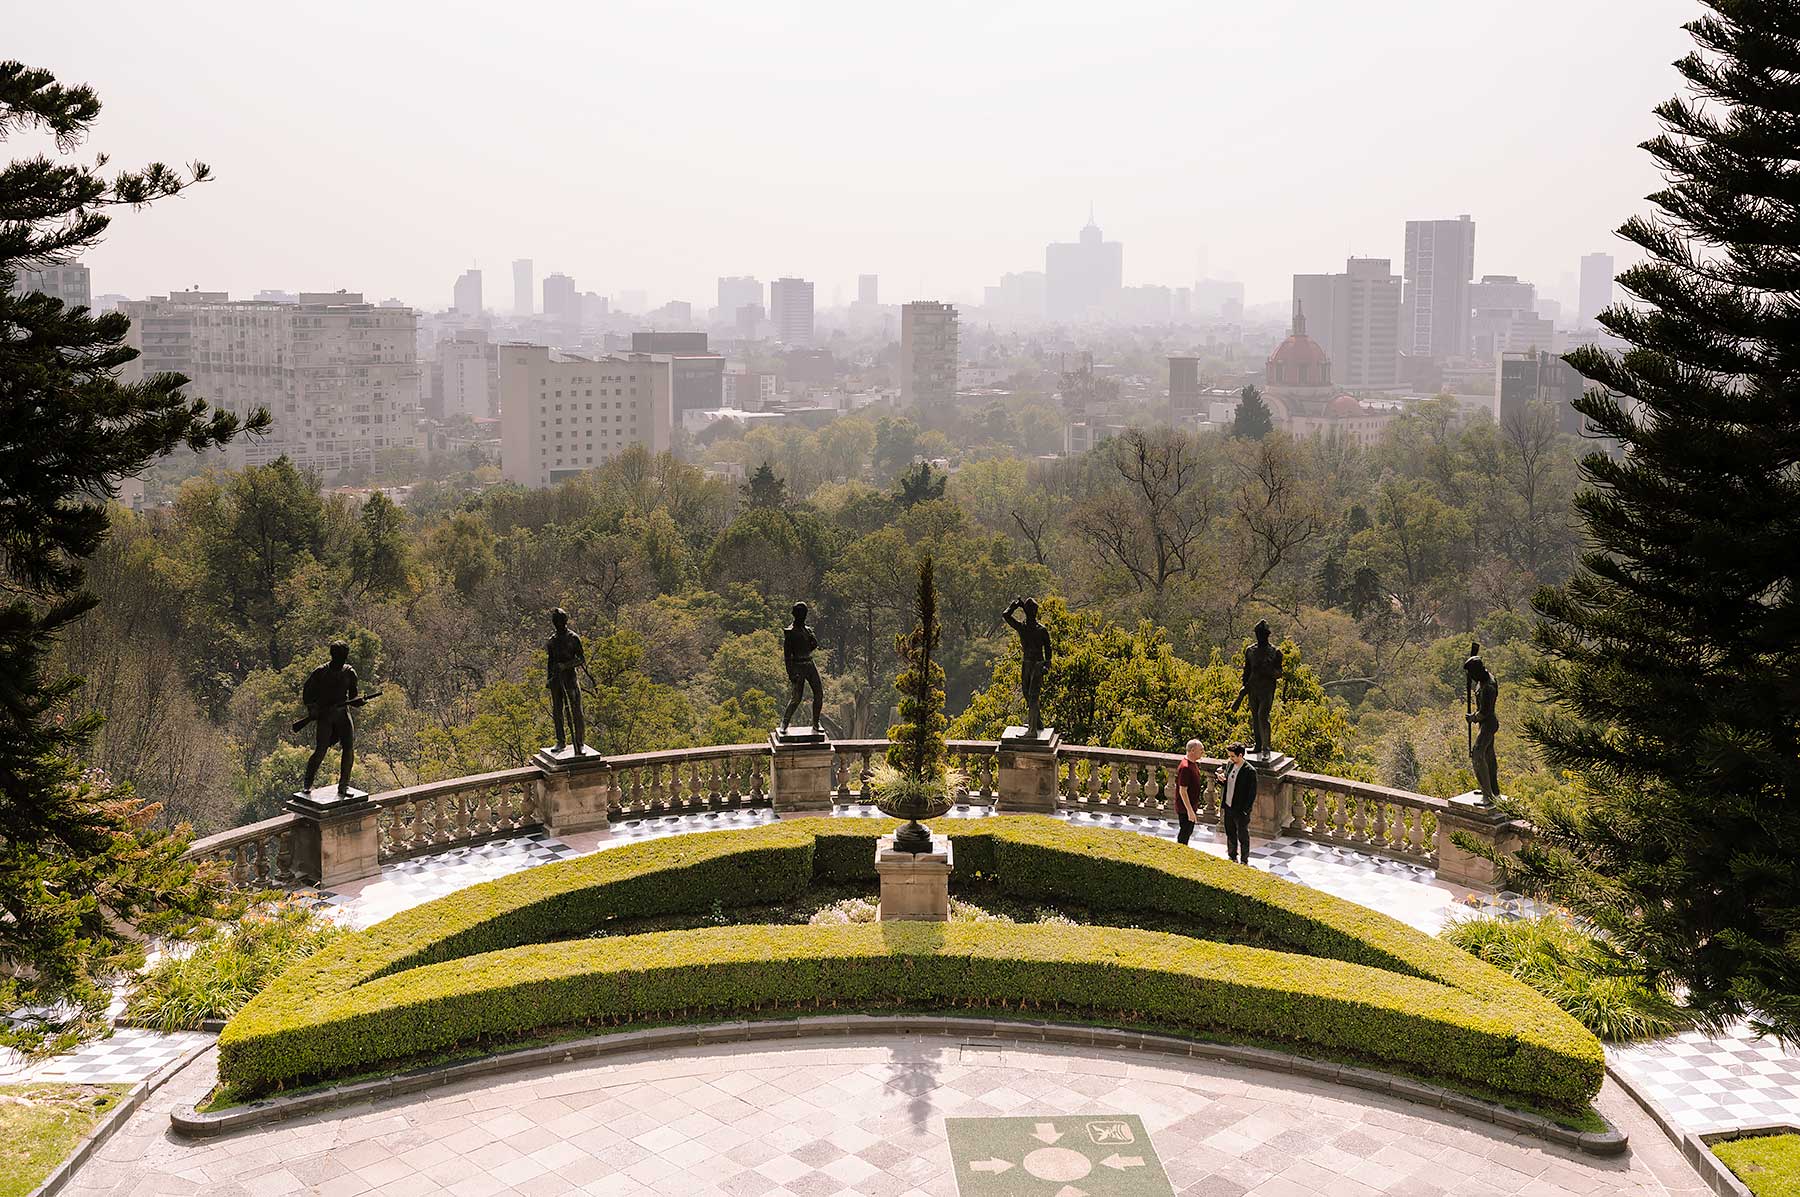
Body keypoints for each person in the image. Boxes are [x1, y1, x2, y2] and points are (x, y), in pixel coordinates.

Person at [302, 641, 361, 796]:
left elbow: (353, 697)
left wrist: (358, 702)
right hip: (326, 716)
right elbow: (307, 694)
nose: (342, 659)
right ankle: (307, 783)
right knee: (321, 750)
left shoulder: (350, 673)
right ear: (333, 655)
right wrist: (313, 708)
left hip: (343, 714)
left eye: (343, 656)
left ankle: (344, 785)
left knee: (348, 748)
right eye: (339, 656)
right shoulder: (321, 672)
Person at [1231, 619, 1284, 757]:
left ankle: (1266, 748)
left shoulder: (1275, 652)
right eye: (1258, 633)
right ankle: (1258, 745)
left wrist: (1268, 669)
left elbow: (1279, 673)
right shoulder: (1250, 651)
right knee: (1255, 717)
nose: (1260, 636)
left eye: (1262, 633)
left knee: (1262, 716)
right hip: (1253, 688)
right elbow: (1246, 671)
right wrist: (1244, 688)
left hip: (1266, 690)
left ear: (1267, 635)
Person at [1002, 597, 1053, 736]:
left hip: (1037, 665)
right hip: (1027, 663)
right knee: (1026, 693)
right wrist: (1015, 604)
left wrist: (1047, 666)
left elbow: (1048, 649)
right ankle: (1036, 723)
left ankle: (1032, 731)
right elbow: (1005, 616)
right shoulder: (1023, 627)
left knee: (1033, 696)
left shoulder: (1040, 630)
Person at [546, 608, 586, 753]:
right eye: (556, 623)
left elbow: (581, 659)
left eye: (560, 622)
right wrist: (549, 679)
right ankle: (560, 741)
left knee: (576, 711)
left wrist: (565, 665)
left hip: (570, 679)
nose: (558, 625)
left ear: (565, 622)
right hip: (556, 679)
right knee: (557, 711)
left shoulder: (573, 638)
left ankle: (580, 742)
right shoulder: (552, 641)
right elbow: (550, 661)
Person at [1464, 648, 1501, 801]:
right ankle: (1492, 789)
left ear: (1478, 672)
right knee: (1489, 757)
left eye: (1472, 674)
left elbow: (1484, 712)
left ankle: (1488, 796)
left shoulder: (1488, 687)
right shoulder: (1483, 679)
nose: (1471, 678)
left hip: (1488, 724)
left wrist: (1472, 718)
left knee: (1478, 755)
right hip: (1485, 724)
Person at [781, 601, 823, 734]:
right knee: (796, 698)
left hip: (810, 664)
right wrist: (790, 673)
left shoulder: (808, 630)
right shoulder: (790, 632)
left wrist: (813, 641)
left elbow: (811, 647)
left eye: (804, 614)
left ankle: (816, 722)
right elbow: (787, 656)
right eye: (801, 614)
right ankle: (785, 722)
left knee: (819, 694)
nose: (803, 616)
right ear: (796, 615)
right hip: (798, 665)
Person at [1215, 742, 1259, 865]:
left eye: (1233, 756)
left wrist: (1245, 810)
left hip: (1241, 810)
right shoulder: (1229, 765)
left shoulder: (1249, 771)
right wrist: (1221, 780)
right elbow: (1228, 783)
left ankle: (1244, 859)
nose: (1230, 758)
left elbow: (1252, 793)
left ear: (1240, 755)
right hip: (1228, 806)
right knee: (1230, 832)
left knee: (1243, 835)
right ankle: (1232, 855)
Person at [1173, 739, 1207, 846]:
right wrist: (1190, 811)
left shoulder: (1193, 763)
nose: (1203, 752)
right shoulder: (1186, 767)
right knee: (1185, 833)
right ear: (1192, 750)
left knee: (1188, 832)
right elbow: (1183, 790)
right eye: (1200, 750)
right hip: (1185, 808)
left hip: (1190, 807)